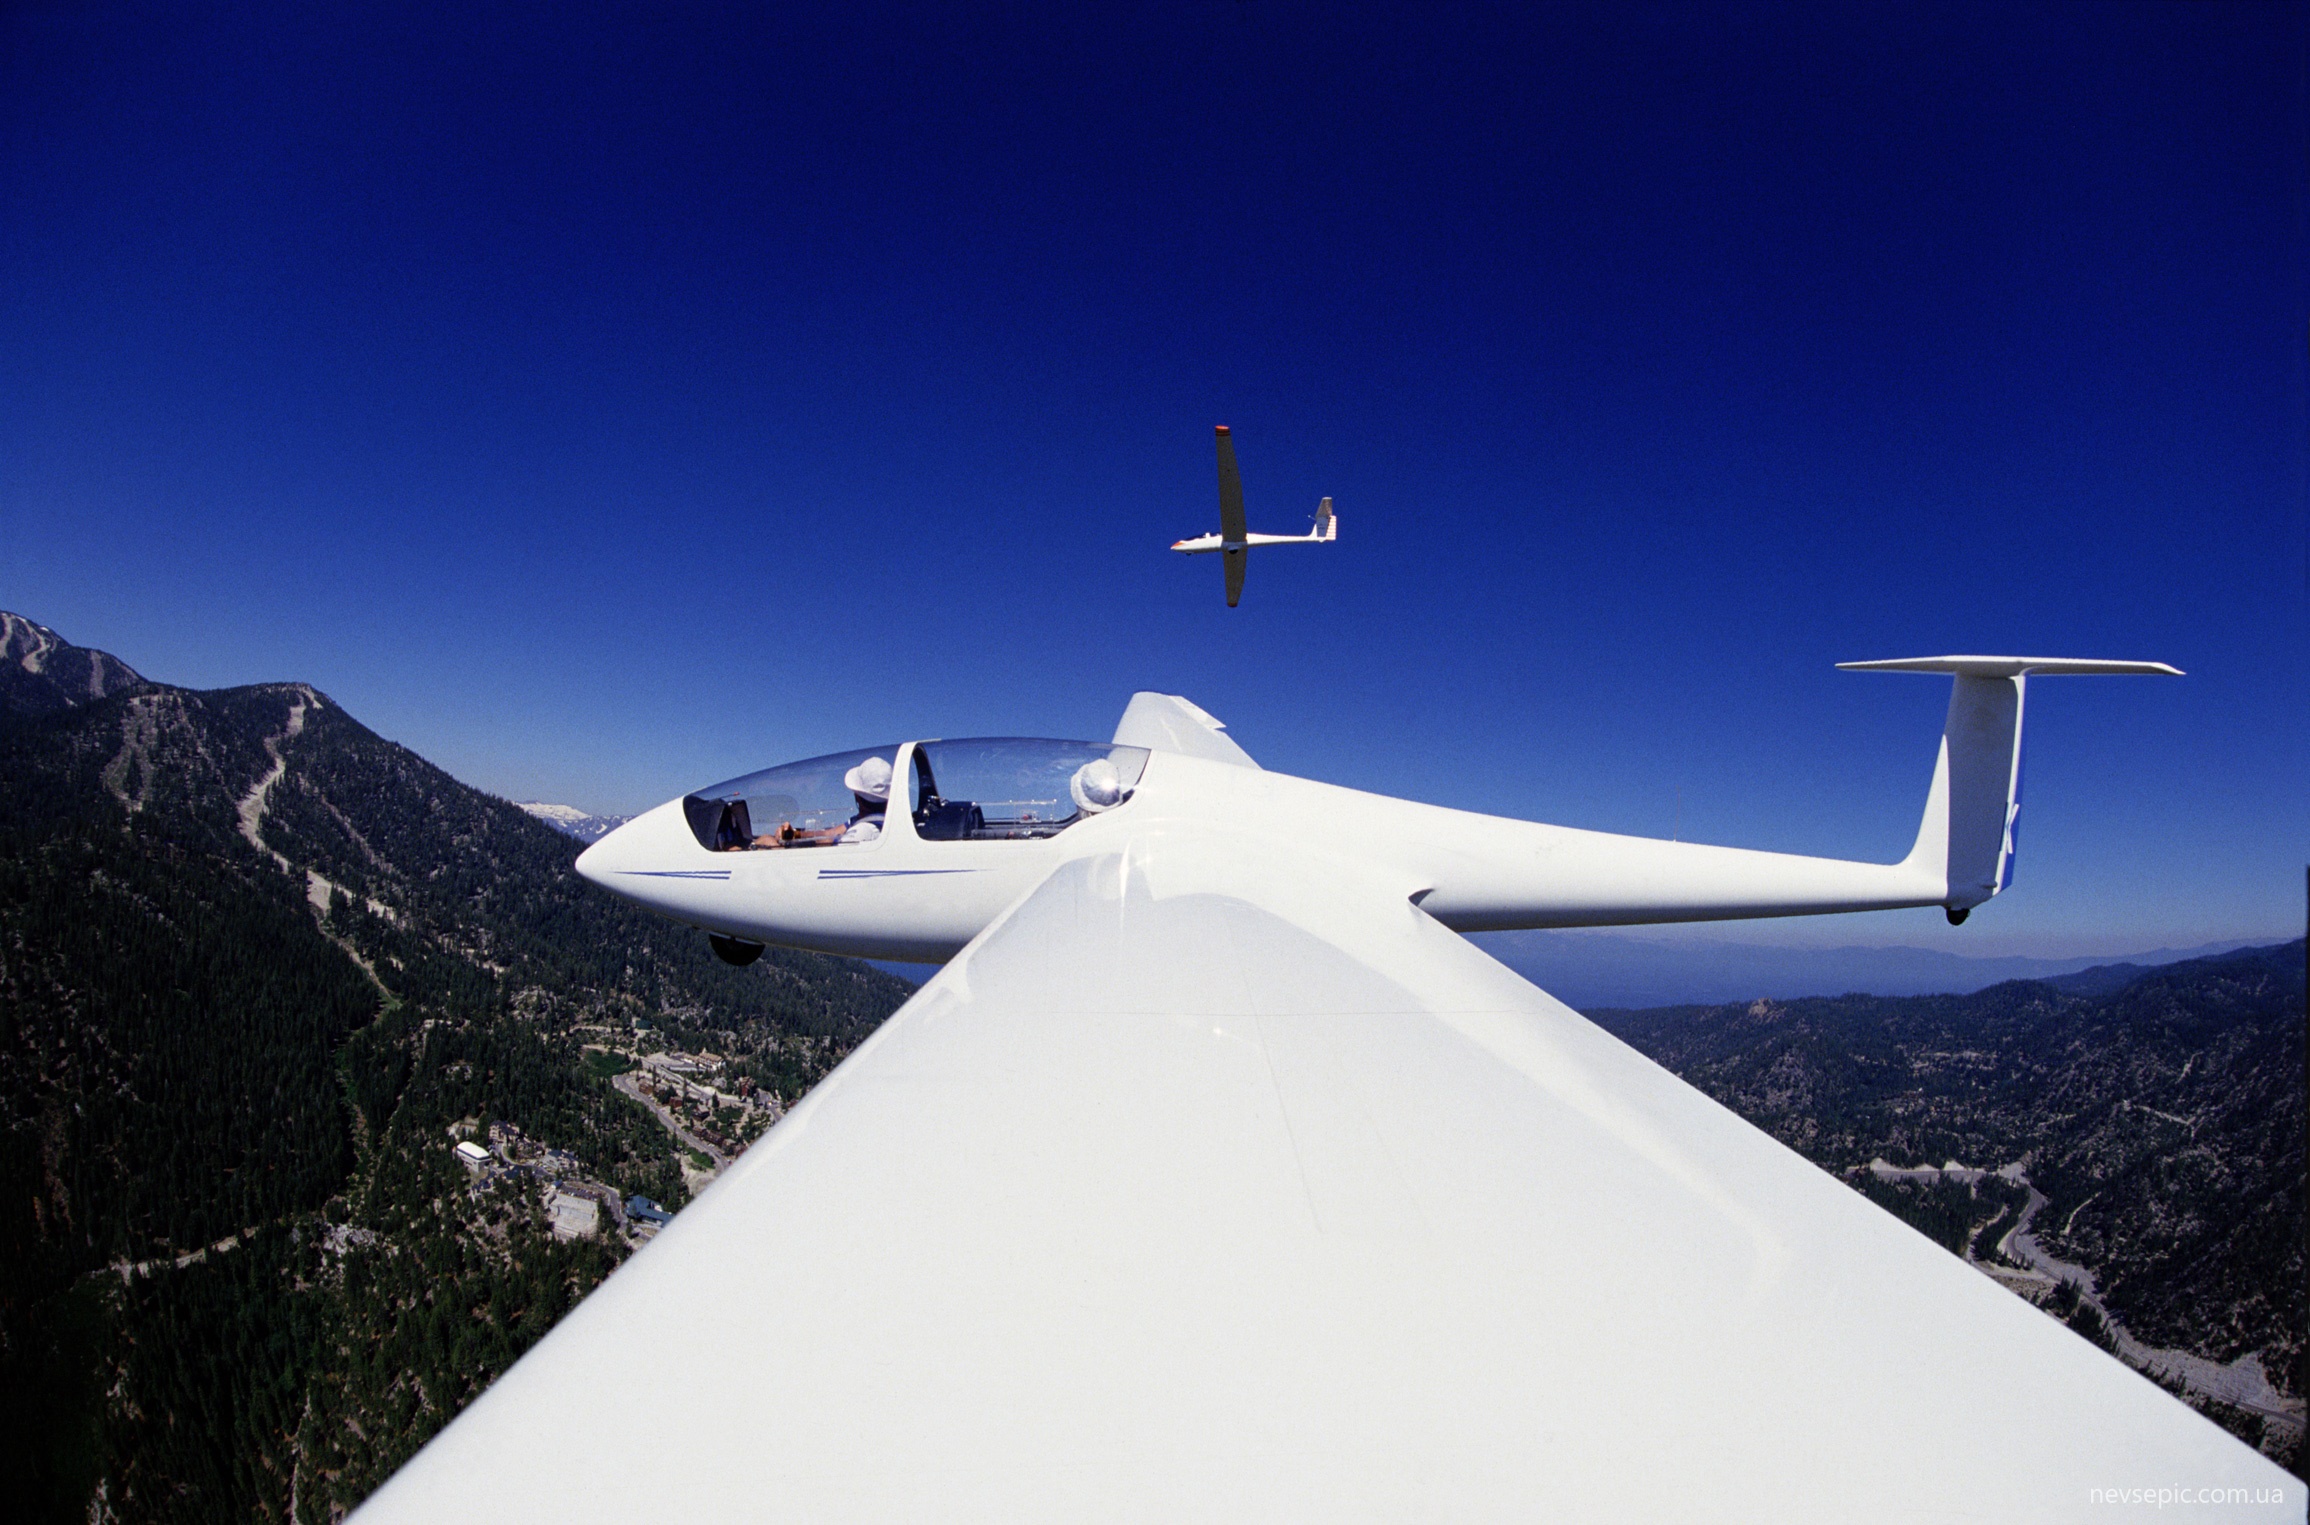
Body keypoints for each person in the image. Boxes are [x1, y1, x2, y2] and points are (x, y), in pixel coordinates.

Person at [758, 756, 891, 848]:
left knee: (766, 841)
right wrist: (794, 834)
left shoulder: (863, 831)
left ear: (858, 796)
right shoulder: (871, 820)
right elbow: (829, 834)